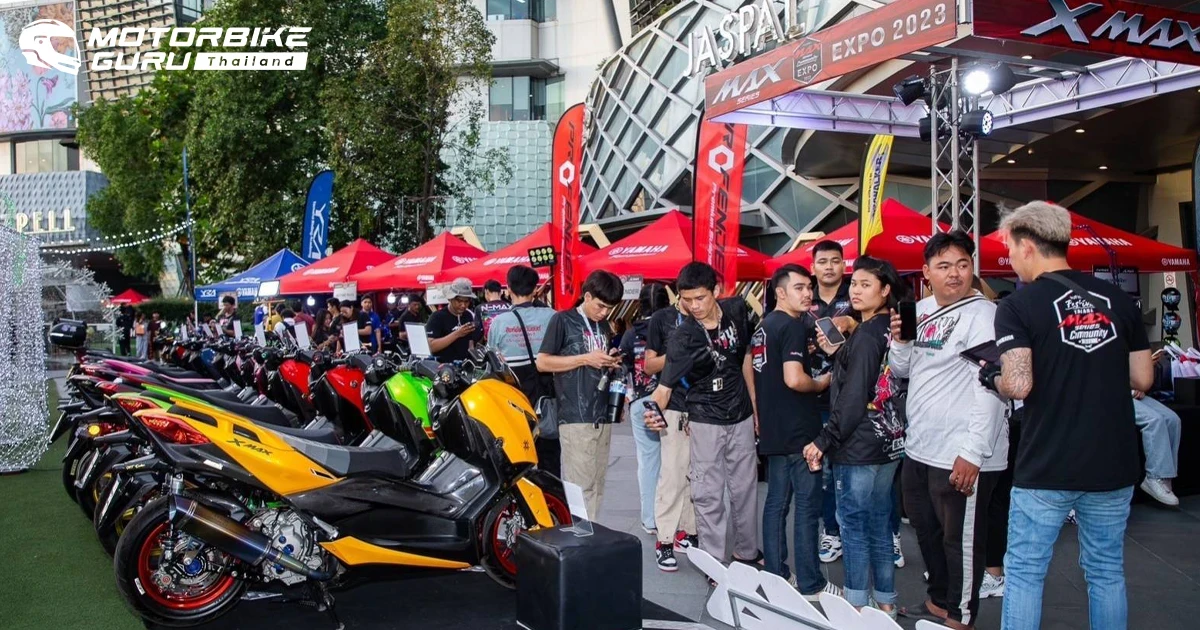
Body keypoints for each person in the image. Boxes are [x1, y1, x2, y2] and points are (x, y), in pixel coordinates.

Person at [986, 201, 1153, 630]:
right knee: (1106, 571)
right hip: (1112, 461)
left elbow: (1018, 384)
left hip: (1048, 462)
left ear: (1027, 245)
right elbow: (1142, 377)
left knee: (1025, 573)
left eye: (1010, 249)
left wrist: (991, 376)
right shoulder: (1117, 299)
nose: (1010, 258)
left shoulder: (1018, 306)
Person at [888, 231, 1007, 628]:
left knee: (961, 543)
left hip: (961, 452)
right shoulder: (920, 310)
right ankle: (939, 602)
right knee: (927, 533)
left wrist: (973, 453)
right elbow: (903, 370)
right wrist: (900, 342)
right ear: (926, 272)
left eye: (962, 264)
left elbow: (993, 389)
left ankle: (960, 617)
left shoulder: (985, 316)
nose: (954, 273)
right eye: (943, 266)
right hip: (920, 447)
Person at [804, 256, 908, 617]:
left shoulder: (866, 334)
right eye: (855, 284)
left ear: (886, 290)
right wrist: (841, 350)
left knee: (853, 526)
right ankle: (886, 602)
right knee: (879, 522)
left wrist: (824, 440)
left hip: (860, 444)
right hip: (888, 441)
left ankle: (857, 607)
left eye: (867, 284)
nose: (857, 291)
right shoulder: (886, 328)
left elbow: (852, 397)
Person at [650, 262, 759, 569]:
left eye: (700, 298)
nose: (694, 306)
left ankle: (747, 553)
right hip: (705, 418)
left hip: (740, 414)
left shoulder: (737, 311)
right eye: (687, 300)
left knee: (745, 489)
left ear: (716, 291)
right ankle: (714, 564)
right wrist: (653, 413)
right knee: (708, 494)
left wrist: (754, 405)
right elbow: (663, 389)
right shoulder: (683, 337)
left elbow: (745, 357)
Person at [753, 264, 838, 600]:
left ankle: (776, 574)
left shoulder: (764, 325)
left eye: (809, 288)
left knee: (776, 502)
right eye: (799, 288)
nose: (808, 294)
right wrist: (821, 383)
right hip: (800, 429)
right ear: (780, 292)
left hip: (774, 427)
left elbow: (752, 367)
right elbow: (794, 379)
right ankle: (811, 583)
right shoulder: (791, 325)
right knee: (806, 505)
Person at [537, 270, 624, 520]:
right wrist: (586, 358)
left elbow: (595, 360)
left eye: (609, 308)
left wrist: (609, 360)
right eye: (600, 306)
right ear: (586, 296)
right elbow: (542, 362)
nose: (604, 313)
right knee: (580, 486)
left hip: (601, 413)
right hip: (574, 414)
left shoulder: (603, 326)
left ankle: (590, 532)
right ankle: (581, 534)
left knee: (597, 483)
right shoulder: (562, 321)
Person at [644, 288, 699, 571]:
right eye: (689, 297)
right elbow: (648, 365)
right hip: (673, 403)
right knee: (673, 475)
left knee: (698, 477)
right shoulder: (662, 319)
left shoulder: (710, 319)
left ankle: (689, 533)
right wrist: (680, 354)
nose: (695, 303)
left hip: (705, 407)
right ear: (679, 294)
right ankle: (664, 539)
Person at [488, 265, 560, 477]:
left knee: (518, 461)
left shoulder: (499, 323)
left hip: (514, 402)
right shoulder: (553, 316)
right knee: (550, 463)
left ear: (508, 289)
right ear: (535, 288)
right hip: (547, 399)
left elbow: (492, 363)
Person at [809, 239, 855, 565]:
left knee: (850, 469)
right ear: (813, 267)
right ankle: (831, 531)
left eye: (835, 261)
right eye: (823, 261)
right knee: (823, 471)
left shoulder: (856, 295)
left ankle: (877, 534)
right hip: (812, 398)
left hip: (851, 396)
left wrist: (852, 325)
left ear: (843, 263)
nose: (829, 267)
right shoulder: (803, 296)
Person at [621, 282, 670, 537]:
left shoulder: (630, 334)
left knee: (648, 462)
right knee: (673, 461)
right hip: (668, 400)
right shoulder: (671, 329)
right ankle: (670, 517)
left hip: (640, 401)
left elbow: (624, 368)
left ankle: (650, 519)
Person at [1132, 390, 1181, 506]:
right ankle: (1155, 477)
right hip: (1111, 394)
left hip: (1132, 392)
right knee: (1154, 420)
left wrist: (1140, 387)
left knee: (1173, 419)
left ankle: (1166, 476)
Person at [427, 279, 479, 362]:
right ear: (450, 299)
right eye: (459, 301)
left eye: (466, 301)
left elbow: (470, 343)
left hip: (464, 366)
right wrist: (457, 333)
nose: (463, 305)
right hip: (443, 367)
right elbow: (430, 347)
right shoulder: (437, 317)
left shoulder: (468, 315)